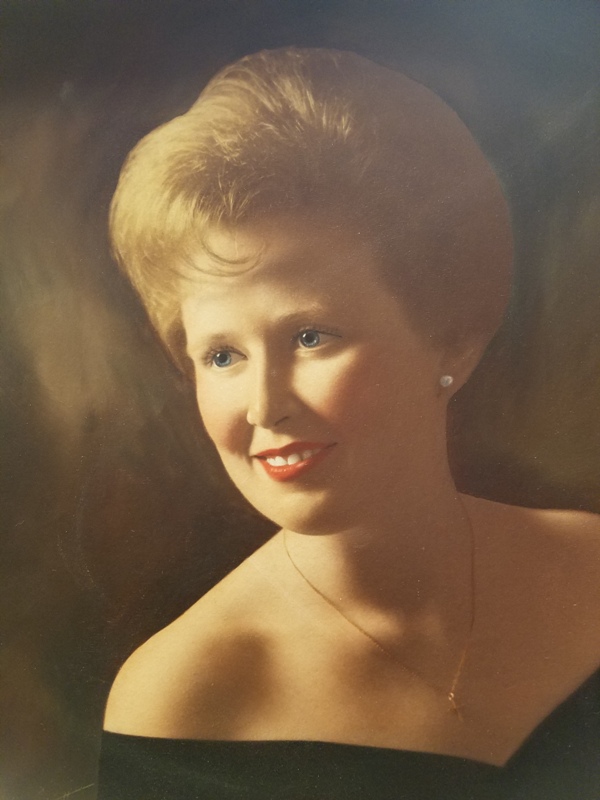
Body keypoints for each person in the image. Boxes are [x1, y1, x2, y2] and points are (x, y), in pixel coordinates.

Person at [98, 48, 600, 799]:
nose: (265, 406)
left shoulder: (590, 567)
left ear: (451, 342)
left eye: (311, 337)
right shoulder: (183, 702)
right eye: (223, 356)